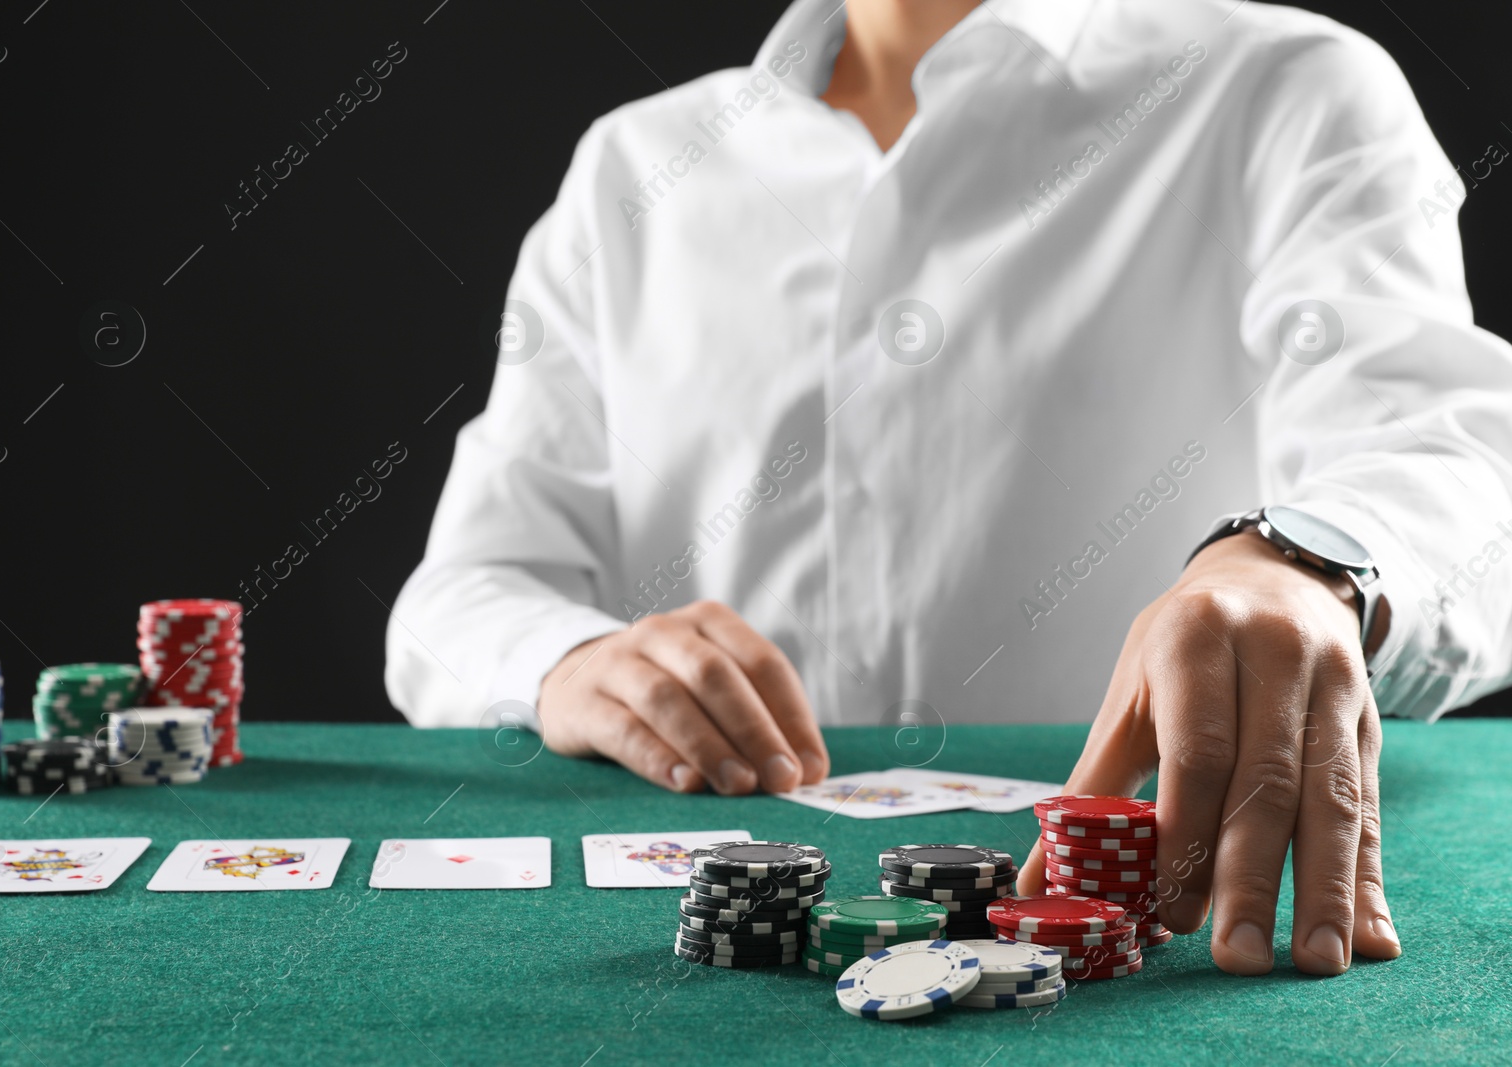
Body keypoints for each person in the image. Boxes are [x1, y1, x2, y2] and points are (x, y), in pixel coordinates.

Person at [386, 0, 1512, 978]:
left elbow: (1461, 463)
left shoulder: (1292, 86)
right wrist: (565, 661)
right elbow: (464, 593)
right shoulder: (634, 165)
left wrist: (1302, 559)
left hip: (1133, 956)